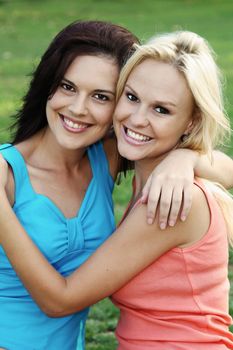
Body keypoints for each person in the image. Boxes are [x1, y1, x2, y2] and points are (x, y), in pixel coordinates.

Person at [0, 30, 233, 349]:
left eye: (161, 110)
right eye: (133, 97)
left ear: (191, 122)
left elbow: (61, 300)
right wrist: (186, 157)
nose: (137, 119)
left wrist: (185, 157)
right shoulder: (122, 159)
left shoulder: (168, 196)